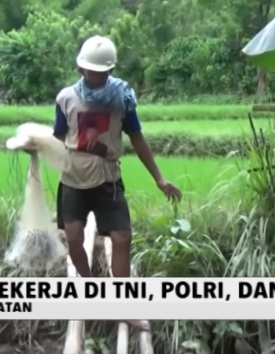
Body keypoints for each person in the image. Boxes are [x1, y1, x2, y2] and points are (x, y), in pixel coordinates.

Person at [41, 35, 181, 331]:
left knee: (121, 238)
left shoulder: (122, 100)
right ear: (82, 70)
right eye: (95, 71)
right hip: (73, 180)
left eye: (105, 72)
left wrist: (159, 178)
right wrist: (34, 146)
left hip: (108, 181)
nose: (100, 76)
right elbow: (56, 137)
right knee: (75, 238)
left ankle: (122, 306)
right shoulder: (66, 98)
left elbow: (137, 138)